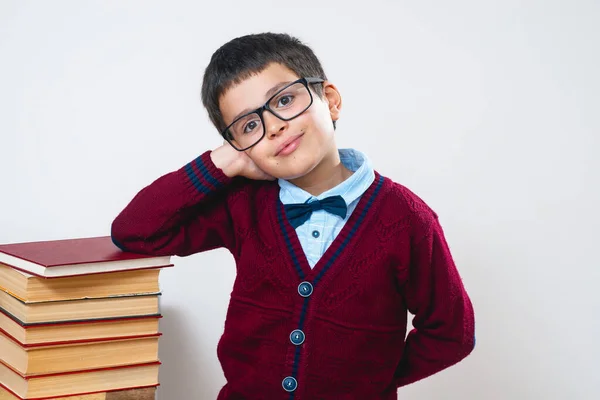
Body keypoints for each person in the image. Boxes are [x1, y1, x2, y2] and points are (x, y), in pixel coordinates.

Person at [111, 32, 475, 399]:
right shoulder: (243, 204)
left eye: (284, 100)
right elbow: (135, 231)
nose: (273, 127)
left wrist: (373, 379)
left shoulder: (408, 219)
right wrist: (221, 163)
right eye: (249, 126)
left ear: (330, 101)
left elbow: (451, 333)